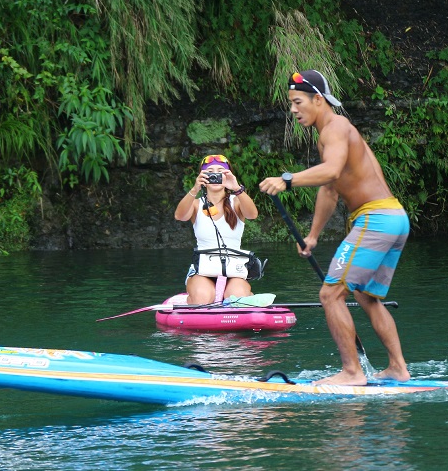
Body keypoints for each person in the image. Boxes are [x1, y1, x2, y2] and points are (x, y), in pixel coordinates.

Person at [259, 70, 410, 386]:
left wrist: (287, 180)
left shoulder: (336, 127)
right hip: (394, 219)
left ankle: (352, 373)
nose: (294, 110)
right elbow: (330, 188)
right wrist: (313, 236)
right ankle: (398, 367)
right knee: (368, 297)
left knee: (330, 294)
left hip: (377, 219)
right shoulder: (332, 134)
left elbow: (331, 170)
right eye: (291, 104)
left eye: (298, 102)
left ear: (318, 99)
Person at [174, 154, 259, 304]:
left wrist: (237, 188)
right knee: (203, 297)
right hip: (202, 270)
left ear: (228, 175)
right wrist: (195, 188)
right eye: (210, 172)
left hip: (233, 269)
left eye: (221, 171)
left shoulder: (237, 201)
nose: (215, 175)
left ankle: (246, 296)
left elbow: (252, 215)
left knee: (237, 297)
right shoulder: (196, 204)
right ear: (203, 177)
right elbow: (180, 216)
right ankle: (192, 298)